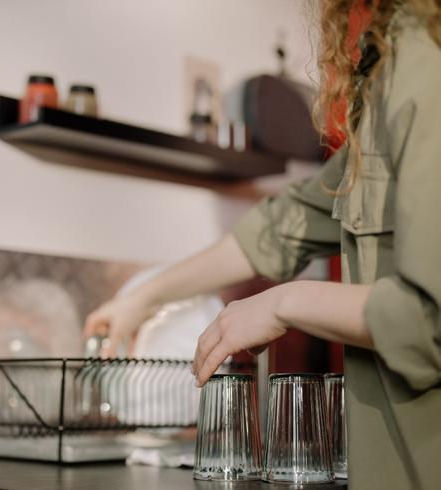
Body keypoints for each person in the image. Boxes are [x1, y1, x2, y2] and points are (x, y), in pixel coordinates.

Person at [84, 1, 441, 488]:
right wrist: (142, 297)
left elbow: (429, 318)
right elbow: (282, 226)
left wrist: (282, 304)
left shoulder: (426, 60)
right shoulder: (387, 67)